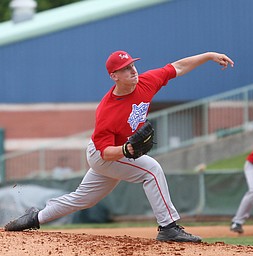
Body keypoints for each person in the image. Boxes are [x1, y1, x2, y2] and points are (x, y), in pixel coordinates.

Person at [5, 50, 234, 242]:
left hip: (116, 152)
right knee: (151, 170)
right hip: (104, 154)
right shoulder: (107, 110)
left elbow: (177, 67)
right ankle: (168, 228)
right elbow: (105, 152)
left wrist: (209, 56)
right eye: (126, 68)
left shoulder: (146, 81)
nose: (133, 70)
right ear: (114, 75)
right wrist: (126, 150)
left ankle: (34, 218)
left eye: (133, 65)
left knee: (84, 199)